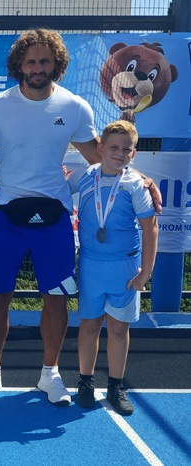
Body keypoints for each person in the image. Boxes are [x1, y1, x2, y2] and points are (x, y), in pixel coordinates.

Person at [0, 29, 103, 407]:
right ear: (19, 65)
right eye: (30, 61)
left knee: (56, 298)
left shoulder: (75, 107)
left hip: (54, 216)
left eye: (45, 60)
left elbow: (101, 156)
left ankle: (50, 373)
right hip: (6, 214)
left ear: (56, 64)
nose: (37, 67)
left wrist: (140, 178)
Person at [69, 120, 157, 416]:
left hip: (125, 266)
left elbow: (150, 228)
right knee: (90, 324)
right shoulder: (85, 176)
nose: (120, 154)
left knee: (118, 328)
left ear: (134, 153)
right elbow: (53, 187)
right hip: (91, 264)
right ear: (100, 149)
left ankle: (116, 386)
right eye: (114, 148)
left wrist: (145, 271)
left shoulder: (135, 185)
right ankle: (85, 382)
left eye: (126, 150)